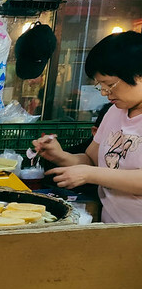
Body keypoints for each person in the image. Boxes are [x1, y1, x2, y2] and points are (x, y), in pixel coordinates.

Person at [33, 31, 142, 223]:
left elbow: (93, 171)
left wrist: (91, 175)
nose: (104, 92)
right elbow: (91, 159)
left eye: (109, 84)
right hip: (114, 229)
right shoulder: (114, 112)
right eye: (100, 85)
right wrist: (61, 156)